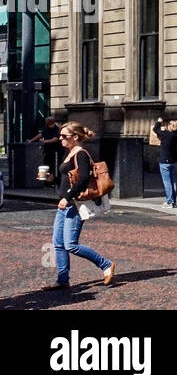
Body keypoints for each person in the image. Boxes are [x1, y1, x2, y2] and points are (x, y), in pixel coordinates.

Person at [44, 121, 114, 289]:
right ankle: (62, 280)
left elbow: (82, 180)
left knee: (71, 244)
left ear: (75, 137)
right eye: (60, 136)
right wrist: (52, 179)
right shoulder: (68, 153)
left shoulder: (81, 154)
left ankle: (106, 265)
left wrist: (67, 198)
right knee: (58, 243)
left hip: (73, 205)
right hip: (64, 205)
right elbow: (67, 180)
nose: (60, 139)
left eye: (64, 136)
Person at [152, 117, 177, 208]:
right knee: (173, 181)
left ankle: (169, 202)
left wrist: (159, 122)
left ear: (170, 126)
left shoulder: (165, 134)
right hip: (173, 161)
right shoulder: (176, 136)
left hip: (165, 161)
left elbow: (155, 129)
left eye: (168, 124)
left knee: (167, 182)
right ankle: (174, 201)